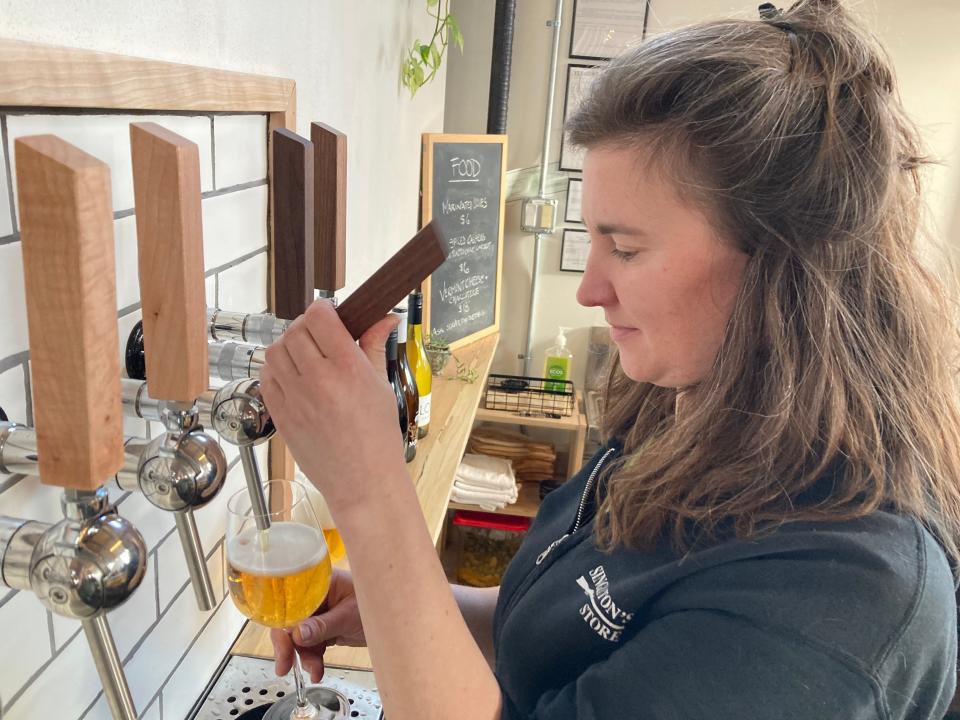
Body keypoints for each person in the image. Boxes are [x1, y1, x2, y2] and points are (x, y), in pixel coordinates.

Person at [258, 1, 960, 717]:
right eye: (591, 240)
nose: (591, 289)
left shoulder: (840, 599)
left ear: (782, 270)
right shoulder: (689, 397)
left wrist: (371, 494)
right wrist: (398, 599)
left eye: (625, 249)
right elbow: (578, 635)